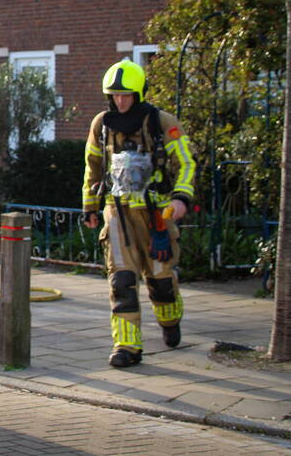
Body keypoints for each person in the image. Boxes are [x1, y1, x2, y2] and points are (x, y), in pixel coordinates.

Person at [81, 59, 195, 368]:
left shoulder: (161, 122)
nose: (120, 100)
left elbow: (185, 162)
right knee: (122, 281)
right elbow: (92, 169)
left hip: (157, 215)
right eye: (115, 95)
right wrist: (89, 207)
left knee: (161, 282)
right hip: (117, 215)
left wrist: (182, 197)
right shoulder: (101, 125)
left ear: (139, 93)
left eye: (126, 95)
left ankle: (170, 321)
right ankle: (127, 347)